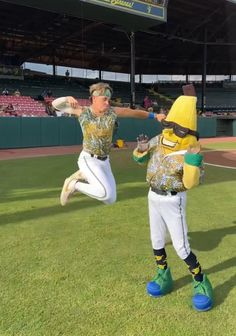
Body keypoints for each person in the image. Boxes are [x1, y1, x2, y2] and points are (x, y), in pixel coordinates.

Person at [133, 85, 213, 312]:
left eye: (175, 129)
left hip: (172, 199)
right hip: (152, 196)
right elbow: (139, 158)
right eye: (167, 125)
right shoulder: (159, 139)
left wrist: (193, 163)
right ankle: (163, 274)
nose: (169, 131)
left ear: (187, 132)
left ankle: (200, 281)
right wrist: (140, 149)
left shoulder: (191, 149)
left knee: (181, 247)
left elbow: (191, 182)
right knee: (156, 240)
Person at [52, 82, 166, 206]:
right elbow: (55, 105)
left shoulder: (112, 112)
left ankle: (84, 174)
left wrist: (155, 116)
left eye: (109, 99)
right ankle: (73, 184)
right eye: (104, 99)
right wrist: (67, 98)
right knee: (104, 193)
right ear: (94, 98)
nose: (107, 102)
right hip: (88, 158)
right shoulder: (82, 111)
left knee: (110, 199)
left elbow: (133, 113)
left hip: (105, 160)